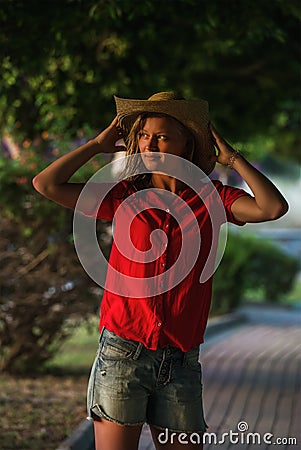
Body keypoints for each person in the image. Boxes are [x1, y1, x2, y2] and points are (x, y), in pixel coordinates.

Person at [33, 92, 288, 450]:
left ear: (186, 144)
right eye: (144, 135)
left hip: (181, 361)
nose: (150, 144)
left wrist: (232, 158)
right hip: (123, 355)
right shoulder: (121, 195)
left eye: (163, 136)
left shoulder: (212, 200)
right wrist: (95, 146)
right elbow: (46, 185)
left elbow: (273, 207)